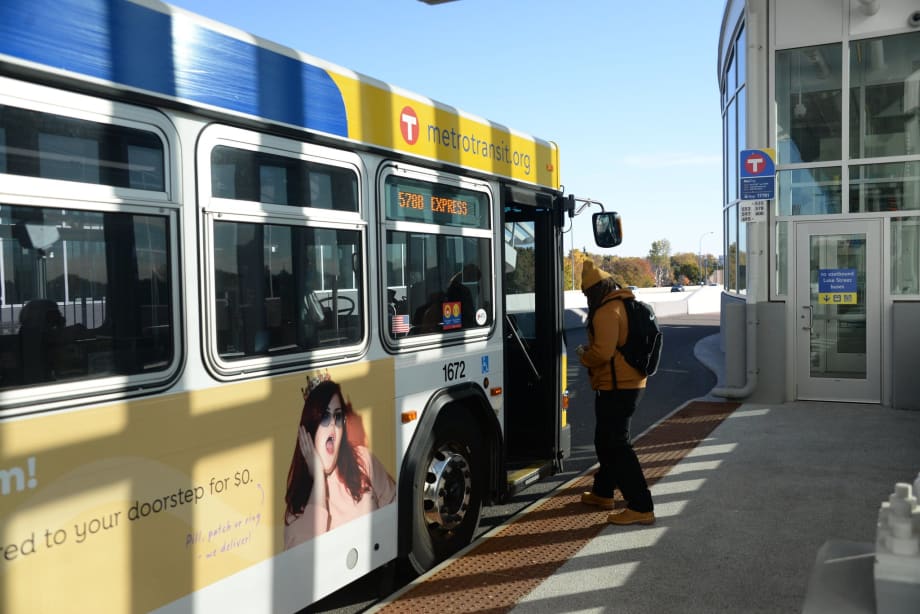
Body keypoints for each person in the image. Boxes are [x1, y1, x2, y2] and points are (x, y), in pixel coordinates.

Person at [576, 259, 655, 526]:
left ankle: (641, 505)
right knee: (604, 440)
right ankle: (603, 492)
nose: (587, 298)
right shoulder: (623, 303)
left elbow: (602, 353)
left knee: (618, 444)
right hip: (626, 384)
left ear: (594, 290)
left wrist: (583, 356)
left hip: (618, 386)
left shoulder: (607, 311)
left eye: (587, 293)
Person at [283, 371, 397, 549]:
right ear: (310, 429)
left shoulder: (362, 459)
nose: (333, 427)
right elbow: (305, 558)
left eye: (337, 417)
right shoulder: (298, 502)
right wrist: (319, 480)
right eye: (325, 417)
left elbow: (395, 507)